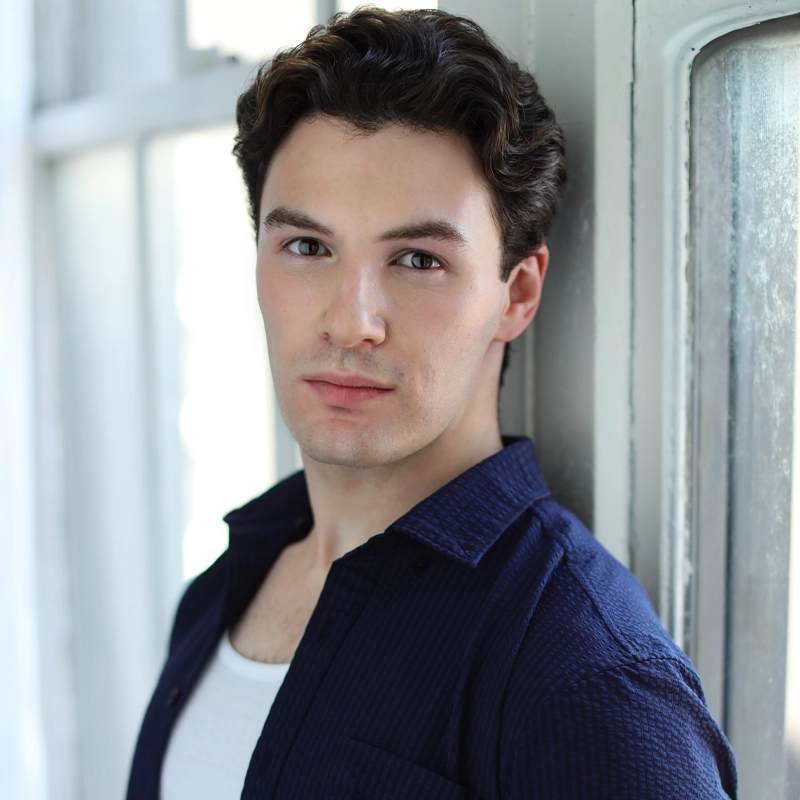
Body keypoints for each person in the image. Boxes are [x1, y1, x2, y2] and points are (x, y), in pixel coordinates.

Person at [127, 8, 737, 799]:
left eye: (418, 259)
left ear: (516, 293)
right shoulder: (220, 593)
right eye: (307, 247)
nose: (352, 321)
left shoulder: (582, 671)